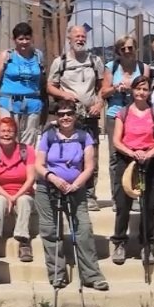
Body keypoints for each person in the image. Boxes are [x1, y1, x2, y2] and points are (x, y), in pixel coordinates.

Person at [33, 98, 110, 291]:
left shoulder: (85, 136)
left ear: (75, 116)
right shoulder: (48, 136)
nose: (65, 117)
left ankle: (91, 275)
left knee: (83, 230)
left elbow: (89, 166)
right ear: (56, 117)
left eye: (69, 113)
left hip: (76, 189)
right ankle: (57, 274)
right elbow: (38, 164)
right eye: (61, 114)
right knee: (50, 231)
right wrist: (53, 178)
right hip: (48, 188)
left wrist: (76, 184)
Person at [46, 25, 106, 213]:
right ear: (69, 39)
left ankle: (89, 194)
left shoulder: (95, 60)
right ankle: (67, 189)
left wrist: (99, 104)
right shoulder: (60, 62)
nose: (80, 39)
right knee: (69, 155)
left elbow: (103, 87)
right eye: (76, 36)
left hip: (89, 116)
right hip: (69, 116)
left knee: (92, 154)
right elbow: (50, 87)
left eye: (83, 36)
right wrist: (64, 95)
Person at [108, 76, 154, 265]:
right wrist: (133, 153)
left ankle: (146, 244)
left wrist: (147, 154)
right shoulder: (122, 113)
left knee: (148, 206)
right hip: (127, 160)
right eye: (138, 89)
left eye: (145, 89)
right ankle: (119, 242)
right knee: (123, 205)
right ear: (132, 90)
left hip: (151, 162)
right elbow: (116, 141)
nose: (141, 92)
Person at [99, 34, 148, 209]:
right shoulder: (111, 67)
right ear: (118, 51)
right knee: (115, 157)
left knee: (137, 155)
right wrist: (116, 88)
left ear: (135, 49)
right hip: (115, 114)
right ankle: (117, 197)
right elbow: (103, 92)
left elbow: (146, 90)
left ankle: (135, 194)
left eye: (130, 48)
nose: (127, 51)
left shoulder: (143, 68)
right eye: (123, 48)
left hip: (137, 116)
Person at [0, 116, 36, 262]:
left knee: (24, 200)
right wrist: (8, 197)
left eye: (10, 131)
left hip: (24, 192)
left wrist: (16, 196)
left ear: (15, 133)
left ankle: (23, 241)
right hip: (1, 193)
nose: (6, 134)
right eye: (3, 131)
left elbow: (31, 179)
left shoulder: (27, 150)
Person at [0, 22, 46, 146]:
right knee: (7, 140)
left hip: (32, 105)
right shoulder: (6, 56)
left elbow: (43, 83)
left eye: (27, 38)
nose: (24, 42)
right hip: (8, 104)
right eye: (20, 39)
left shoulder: (38, 56)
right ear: (14, 40)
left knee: (28, 145)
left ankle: (25, 165)